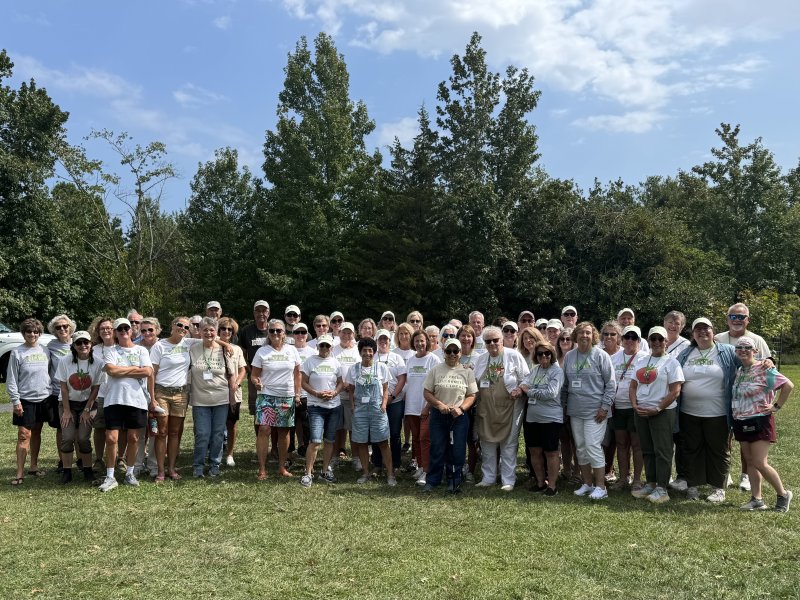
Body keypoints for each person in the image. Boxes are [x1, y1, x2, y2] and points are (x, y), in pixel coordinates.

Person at [675, 317, 739, 503]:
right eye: (698, 329)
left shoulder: (727, 351)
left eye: (706, 328)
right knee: (691, 449)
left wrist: (768, 361)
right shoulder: (686, 354)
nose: (702, 332)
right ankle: (692, 486)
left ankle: (718, 488)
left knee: (718, 450)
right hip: (688, 412)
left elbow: (748, 362)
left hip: (718, 412)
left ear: (713, 331)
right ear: (693, 334)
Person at [715, 301, 773, 492]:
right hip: (724, 395)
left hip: (749, 400)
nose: (737, 320)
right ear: (727, 319)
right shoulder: (718, 338)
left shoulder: (757, 340)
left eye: (741, 317)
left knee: (747, 438)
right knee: (725, 436)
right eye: (733, 316)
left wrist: (771, 401)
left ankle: (746, 475)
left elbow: (769, 365)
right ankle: (726, 472)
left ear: (748, 320)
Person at [732, 336, 794, 512]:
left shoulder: (764, 368)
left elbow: (788, 385)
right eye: (739, 347)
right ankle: (757, 499)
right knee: (750, 461)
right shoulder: (740, 370)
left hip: (759, 420)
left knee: (760, 462)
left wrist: (776, 406)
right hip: (741, 420)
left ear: (755, 351)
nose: (743, 350)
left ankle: (783, 494)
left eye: (747, 347)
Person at [97, 318, 155, 492]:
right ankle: (110, 476)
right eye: (119, 329)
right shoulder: (111, 350)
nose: (123, 331)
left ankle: (130, 473)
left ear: (131, 330)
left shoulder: (141, 350)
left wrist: (121, 370)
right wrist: (135, 369)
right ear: (115, 332)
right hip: (113, 400)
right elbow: (111, 371)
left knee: (133, 438)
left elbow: (148, 371)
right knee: (111, 438)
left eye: (126, 328)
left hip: (137, 400)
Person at [629, 326, 684, 504]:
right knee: (647, 449)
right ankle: (651, 483)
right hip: (641, 411)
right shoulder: (641, 360)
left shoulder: (672, 363)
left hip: (662, 412)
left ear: (666, 342)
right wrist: (634, 405)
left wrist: (658, 408)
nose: (657, 342)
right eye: (653, 339)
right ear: (649, 341)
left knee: (662, 450)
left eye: (660, 339)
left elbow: (675, 391)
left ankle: (662, 488)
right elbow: (633, 386)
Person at [561, 321, 615, 500]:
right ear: (575, 336)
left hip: (596, 412)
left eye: (588, 333)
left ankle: (601, 487)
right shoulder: (569, 356)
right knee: (581, 448)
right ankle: (587, 483)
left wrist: (604, 408)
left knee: (593, 446)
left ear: (593, 336)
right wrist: (563, 407)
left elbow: (611, 384)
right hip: (575, 411)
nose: (584, 335)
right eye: (581, 332)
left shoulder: (601, 356)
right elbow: (565, 385)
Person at [473, 326, 530, 491]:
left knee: (509, 444)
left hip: (510, 408)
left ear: (502, 340)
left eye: (495, 340)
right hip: (486, 408)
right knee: (487, 443)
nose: (492, 344)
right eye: (488, 341)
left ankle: (508, 480)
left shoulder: (513, 356)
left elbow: (527, 378)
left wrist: (520, 389)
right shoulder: (481, 359)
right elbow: (474, 381)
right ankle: (488, 477)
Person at [422, 338, 478, 494]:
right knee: (437, 447)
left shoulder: (467, 371)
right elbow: (427, 392)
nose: (452, 354)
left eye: (455, 351)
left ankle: (454, 480)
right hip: (439, 415)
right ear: (444, 352)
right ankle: (433, 480)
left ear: (460, 353)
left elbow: (472, 395)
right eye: (449, 351)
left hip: (459, 417)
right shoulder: (436, 370)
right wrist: (439, 405)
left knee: (457, 449)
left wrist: (461, 408)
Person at [250, 319, 302, 480]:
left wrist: (297, 394)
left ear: (284, 333)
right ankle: (262, 469)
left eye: (278, 330)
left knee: (284, 431)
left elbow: (297, 374)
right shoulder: (262, 351)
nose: (275, 333)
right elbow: (254, 375)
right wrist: (256, 382)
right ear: (268, 333)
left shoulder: (292, 350)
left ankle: (281, 467)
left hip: (286, 396)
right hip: (266, 395)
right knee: (264, 429)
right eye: (272, 330)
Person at [188, 317, 236, 478]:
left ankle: (215, 464)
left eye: (212, 330)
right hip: (200, 400)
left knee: (218, 434)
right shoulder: (192, 348)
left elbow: (231, 375)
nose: (208, 333)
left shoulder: (224, 350)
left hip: (221, 399)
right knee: (202, 434)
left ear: (216, 332)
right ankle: (198, 466)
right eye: (205, 330)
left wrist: (232, 397)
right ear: (200, 331)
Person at [8, 318, 54, 485]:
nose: (32, 334)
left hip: (44, 398)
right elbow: (11, 379)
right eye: (29, 331)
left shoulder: (45, 350)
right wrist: (16, 401)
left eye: (36, 332)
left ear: (40, 333)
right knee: (23, 435)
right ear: (23, 333)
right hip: (25, 400)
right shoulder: (17, 352)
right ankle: (19, 473)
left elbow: (49, 372)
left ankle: (33, 466)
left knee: (36, 432)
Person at [345, 337, 396, 486]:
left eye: (370, 350)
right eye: (364, 350)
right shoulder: (353, 369)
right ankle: (366, 473)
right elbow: (351, 390)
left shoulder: (381, 367)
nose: (367, 353)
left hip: (377, 408)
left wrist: (384, 404)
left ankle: (390, 475)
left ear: (374, 352)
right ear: (360, 352)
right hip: (360, 410)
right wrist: (353, 406)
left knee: (383, 442)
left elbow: (385, 389)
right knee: (361, 442)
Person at [149, 317, 195, 481]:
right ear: (172, 326)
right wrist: (152, 397)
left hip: (181, 394)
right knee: (162, 432)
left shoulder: (188, 343)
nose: (182, 328)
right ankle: (160, 471)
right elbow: (152, 373)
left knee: (175, 432)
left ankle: (172, 469)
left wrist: (227, 345)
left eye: (186, 327)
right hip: (161, 392)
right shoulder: (159, 345)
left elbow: (210, 338)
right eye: (179, 325)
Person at [56, 331, 103, 484]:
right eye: (79, 343)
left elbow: (95, 388)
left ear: (91, 344)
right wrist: (66, 411)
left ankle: (88, 470)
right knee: (68, 437)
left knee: (83, 438)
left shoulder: (98, 362)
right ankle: (67, 471)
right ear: (74, 346)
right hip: (67, 403)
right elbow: (63, 387)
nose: (83, 345)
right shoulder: (65, 361)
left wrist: (87, 410)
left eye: (86, 342)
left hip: (88, 403)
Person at [519, 341, 564, 496]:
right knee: (534, 451)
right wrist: (523, 388)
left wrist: (530, 391)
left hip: (551, 418)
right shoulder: (535, 370)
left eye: (547, 353)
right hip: (532, 418)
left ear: (552, 354)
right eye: (540, 354)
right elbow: (524, 383)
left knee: (551, 452)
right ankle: (540, 483)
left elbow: (551, 393)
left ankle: (552, 485)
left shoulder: (557, 372)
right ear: (536, 356)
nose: (543, 356)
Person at [300, 334, 345, 487]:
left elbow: (341, 382)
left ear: (331, 347)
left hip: (333, 406)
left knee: (330, 440)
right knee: (315, 441)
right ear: (317, 346)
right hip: (316, 406)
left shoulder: (336, 362)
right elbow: (303, 382)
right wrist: (316, 393)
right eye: (322, 345)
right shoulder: (310, 361)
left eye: (327, 346)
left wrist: (335, 392)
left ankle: (325, 471)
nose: (324, 348)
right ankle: (308, 473)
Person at [610, 325, 648, 492]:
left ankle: (637, 480)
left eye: (634, 337)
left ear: (639, 340)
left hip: (636, 407)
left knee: (637, 444)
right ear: (622, 339)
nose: (630, 340)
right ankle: (623, 478)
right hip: (618, 407)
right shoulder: (614, 358)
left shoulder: (645, 358)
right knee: (621, 443)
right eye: (627, 337)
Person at [403, 330, 442, 485]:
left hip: (427, 407)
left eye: (422, 341)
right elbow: (408, 383)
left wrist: (428, 406)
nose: (419, 344)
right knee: (416, 439)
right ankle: (420, 466)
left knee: (425, 439)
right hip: (411, 406)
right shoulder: (410, 360)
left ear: (427, 342)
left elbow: (437, 386)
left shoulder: (433, 359)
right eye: (417, 341)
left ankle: (427, 471)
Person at [372, 329, 407, 477]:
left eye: (385, 339)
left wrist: (392, 396)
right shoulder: (372, 357)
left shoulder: (396, 357)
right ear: (376, 341)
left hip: (395, 401)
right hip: (376, 402)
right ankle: (377, 465)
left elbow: (402, 379)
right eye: (380, 339)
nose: (383, 342)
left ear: (389, 340)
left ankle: (396, 465)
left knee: (395, 433)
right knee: (377, 433)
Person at [46, 314, 76, 474]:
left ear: (71, 328)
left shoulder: (79, 342)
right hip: (57, 393)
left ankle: (80, 460)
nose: (62, 329)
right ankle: (62, 460)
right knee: (61, 429)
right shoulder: (50, 346)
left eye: (65, 326)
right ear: (54, 330)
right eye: (58, 327)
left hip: (78, 393)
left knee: (79, 429)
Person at [218, 317, 247, 467]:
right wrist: (224, 344)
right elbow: (208, 338)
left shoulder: (237, 349)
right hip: (216, 391)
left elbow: (242, 370)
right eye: (223, 328)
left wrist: (237, 383)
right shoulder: (212, 345)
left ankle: (230, 454)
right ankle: (215, 453)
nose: (226, 331)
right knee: (216, 425)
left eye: (230, 329)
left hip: (234, 392)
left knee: (231, 424)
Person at [87, 317, 115, 474]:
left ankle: (119, 458)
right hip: (99, 395)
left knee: (117, 429)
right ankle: (98, 459)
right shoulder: (94, 349)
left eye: (109, 328)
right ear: (97, 331)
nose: (106, 331)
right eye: (102, 328)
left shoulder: (121, 347)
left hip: (117, 394)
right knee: (99, 428)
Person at [238, 300, 270, 424]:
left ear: (268, 313)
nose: (261, 313)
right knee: (257, 410)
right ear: (254, 313)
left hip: (273, 375)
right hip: (254, 375)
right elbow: (242, 354)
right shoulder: (246, 331)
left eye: (264, 311)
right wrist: (250, 372)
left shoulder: (274, 329)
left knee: (273, 407)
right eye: (258, 311)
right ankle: (259, 435)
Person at [333, 322, 360, 465]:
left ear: (353, 334)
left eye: (349, 333)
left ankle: (356, 458)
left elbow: (361, 370)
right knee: (336, 428)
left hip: (353, 396)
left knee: (353, 428)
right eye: (344, 332)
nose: (346, 335)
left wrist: (352, 385)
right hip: (336, 396)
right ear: (339, 333)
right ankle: (334, 457)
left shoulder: (357, 351)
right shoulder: (333, 350)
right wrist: (341, 385)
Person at [556, 327, 578, 481]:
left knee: (575, 439)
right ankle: (567, 469)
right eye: (562, 339)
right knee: (564, 438)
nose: (565, 341)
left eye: (568, 339)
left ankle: (577, 471)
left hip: (574, 402)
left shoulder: (577, 358)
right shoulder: (554, 358)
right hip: (558, 404)